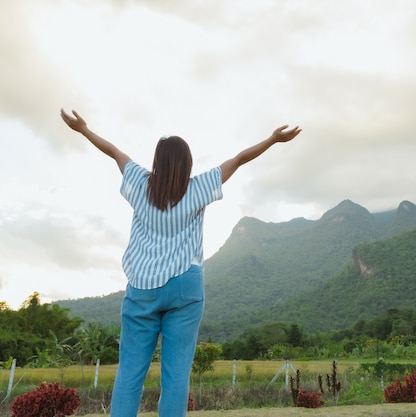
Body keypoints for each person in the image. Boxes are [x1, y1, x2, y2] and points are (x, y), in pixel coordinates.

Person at [60, 109, 301, 417]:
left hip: (142, 286)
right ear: (187, 163)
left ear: (156, 162)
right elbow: (239, 159)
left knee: (131, 372)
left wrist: (83, 130)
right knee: (176, 376)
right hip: (185, 287)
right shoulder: (198, 187)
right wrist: (271, 140)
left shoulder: (139, 182)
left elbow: (114, 152)